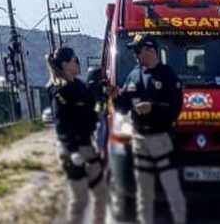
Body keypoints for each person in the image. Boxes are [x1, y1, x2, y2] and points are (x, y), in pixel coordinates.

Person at [114, 34, 187, 224]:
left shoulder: (167, 75)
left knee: (172, 189)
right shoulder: (133, 75)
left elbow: (175, 109)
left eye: (138, 51)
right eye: (134, 52)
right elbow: (123, 107)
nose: (135, 55)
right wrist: (115, 97)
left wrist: (152, 108)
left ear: (151, 51)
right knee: (143, 192)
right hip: (139, 139)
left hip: (161, 138)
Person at [46, 47, 107, 224]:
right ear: (65, 65)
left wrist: (101, 98)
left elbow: (93, 111)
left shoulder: (80, 86)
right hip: (71, 149)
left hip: (87, 145)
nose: (78, 62)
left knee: (101, 194)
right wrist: (72, 151)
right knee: (80, 199)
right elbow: (62, 126)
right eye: (75, 59)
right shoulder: (59, 91)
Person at [86, 67, 109, 159]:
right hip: (96, 114)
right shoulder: (93, 85)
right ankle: (98, 153)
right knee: (99, 132)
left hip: (96, 113)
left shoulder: (93, 85)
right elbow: (99, 99)